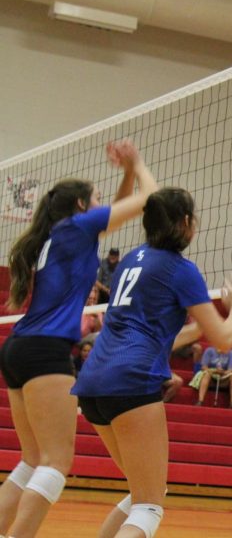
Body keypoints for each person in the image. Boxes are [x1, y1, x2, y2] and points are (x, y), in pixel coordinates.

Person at [0, 140, 157, 537]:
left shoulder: (62, 232)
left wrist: (124, 175)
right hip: (45, 351)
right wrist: (138, 165)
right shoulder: (77, 227)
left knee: (32, 459)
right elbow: (150, 201)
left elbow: (113, 216)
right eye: (99, 199)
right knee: (55, 462)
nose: (105, 204)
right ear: (83, 207)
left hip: (19, 348)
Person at [70, 186, 232, 538]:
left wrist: (197, 330)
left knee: (143, 494)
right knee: (149, 506)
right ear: (186, 222)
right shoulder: (181, 270)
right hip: (130, 383)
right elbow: (225, 339)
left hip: (93, 384)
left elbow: (154, 334)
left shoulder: (129, 261)